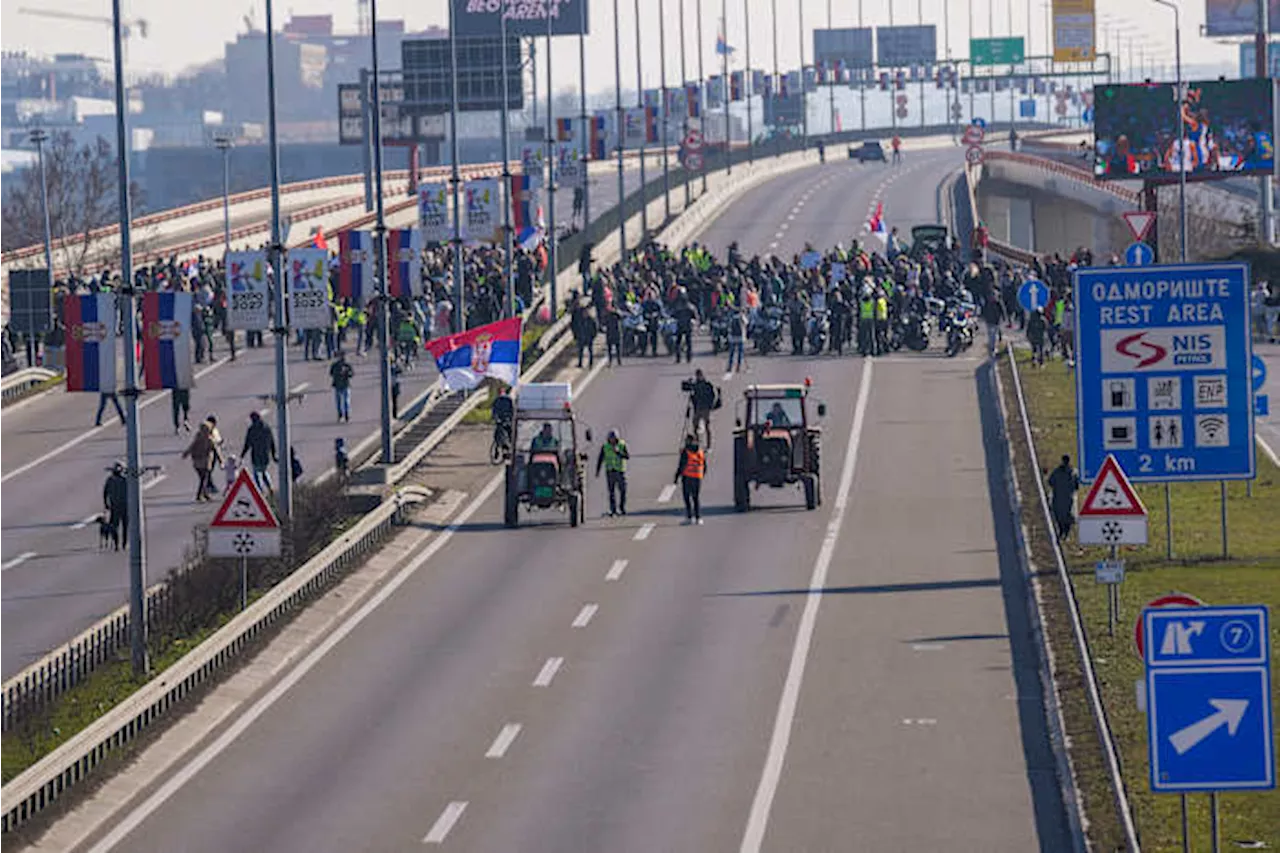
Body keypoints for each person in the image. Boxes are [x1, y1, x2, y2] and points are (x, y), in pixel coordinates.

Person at [182, 420, 222, 502]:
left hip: (196, 462)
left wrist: (186, 454)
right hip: (205, 462)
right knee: (204, 478)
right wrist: (221, 461)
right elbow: (216, 451)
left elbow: (191, 447)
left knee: (203, 478)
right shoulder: (210, 439)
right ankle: (199, 495)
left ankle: (205, 494)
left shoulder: (198, 437)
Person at [241, 410, 278, 495]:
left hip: (256, 455)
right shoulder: (267, 428)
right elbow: (272, 442)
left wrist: (242, 455)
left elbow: (247, 444)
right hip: (265, 455)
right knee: (264, 471)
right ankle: (270, 487)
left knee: (257, 473)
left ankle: (260, 490)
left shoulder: (252, 429)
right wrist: (273, 455)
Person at [595, 429, 630, 516]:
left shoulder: (622, 445)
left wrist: (618, 453)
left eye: (614, 438)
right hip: (610, 471)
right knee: (611, 492)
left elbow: (627, 456)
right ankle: (613, 509)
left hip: (620, 471)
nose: (612, 440)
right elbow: (600, 459)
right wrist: (597, 471)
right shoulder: (605, 446)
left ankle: (622, 508)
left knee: (623, 490)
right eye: (611, 438)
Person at [674, 433, 706, 525]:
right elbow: (704, 465)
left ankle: (689, 517)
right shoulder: (700, 451)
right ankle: (698, 517)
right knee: (696, 497)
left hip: (687, 476)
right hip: (697, 476)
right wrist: (702, 474)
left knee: (687, 497)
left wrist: (676, 477)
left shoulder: (686, 451)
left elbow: (681, 465)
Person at [1047, 455, 1080, 541]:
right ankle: (1065, 534)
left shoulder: (1057, 472)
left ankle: (1063, 533)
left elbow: (1050, 482)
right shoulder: (1073, 472)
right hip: (1069, 499)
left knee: (1060, 516)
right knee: (1067, 517)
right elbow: (1077, 485)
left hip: (1058, 499)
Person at [687, 368, 718, 449]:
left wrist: (710, 406)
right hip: (698, 408)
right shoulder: (696, 385)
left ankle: (709, 446)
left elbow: (712, 396)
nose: (698, 377)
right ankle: (697, 442)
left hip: (705, 409)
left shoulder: (707, 385)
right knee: (695, 425)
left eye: (699, 375)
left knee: (707, 427)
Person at [103, 462, 128, 551]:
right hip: (120, 506)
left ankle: (121, 544)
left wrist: (106, 503)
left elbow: (105, 492)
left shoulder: (111, 480)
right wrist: (106, 503)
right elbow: (105, 492)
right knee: (119, 526)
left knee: (119, 526)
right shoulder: (125, 480)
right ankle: (120, 544)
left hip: (121, 506)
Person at [670, 287, 698, 363]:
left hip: (685, 325)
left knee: (684, 342)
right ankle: (683, 358)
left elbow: (695, 316)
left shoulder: (687, 306)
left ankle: (685, 358)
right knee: (682, 342)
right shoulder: (678, 306)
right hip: (681, 325)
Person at [330, 352, 354, 423]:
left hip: (345, 384)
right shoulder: (335, 365)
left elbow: (352, 374)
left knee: (346, 401)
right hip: (338, 385)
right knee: (339, 401)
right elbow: (331, 373)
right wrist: (337, 374)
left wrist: (346, 373)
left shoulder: (347, 365)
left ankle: (346, 415)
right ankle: (340, 414)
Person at [981, 291, 1006, 357]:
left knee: (994, 335)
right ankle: (991, 347)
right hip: (989, 321)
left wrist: (1004, 318)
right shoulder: (987, 303)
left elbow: (1002, 310)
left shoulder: (998, 303)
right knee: (991, 335)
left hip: (996, 321)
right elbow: (984, 310)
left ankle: (993, 347)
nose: (992, 297)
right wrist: (983, 317)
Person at [726, 306, 748, 373]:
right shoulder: (741, 316)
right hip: (740, 337)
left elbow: (728, 326)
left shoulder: (731, 317)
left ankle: (730, 367)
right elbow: (746, 323)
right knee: (740, 353)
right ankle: (738, 367)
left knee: (731, 353)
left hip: (732, 337)